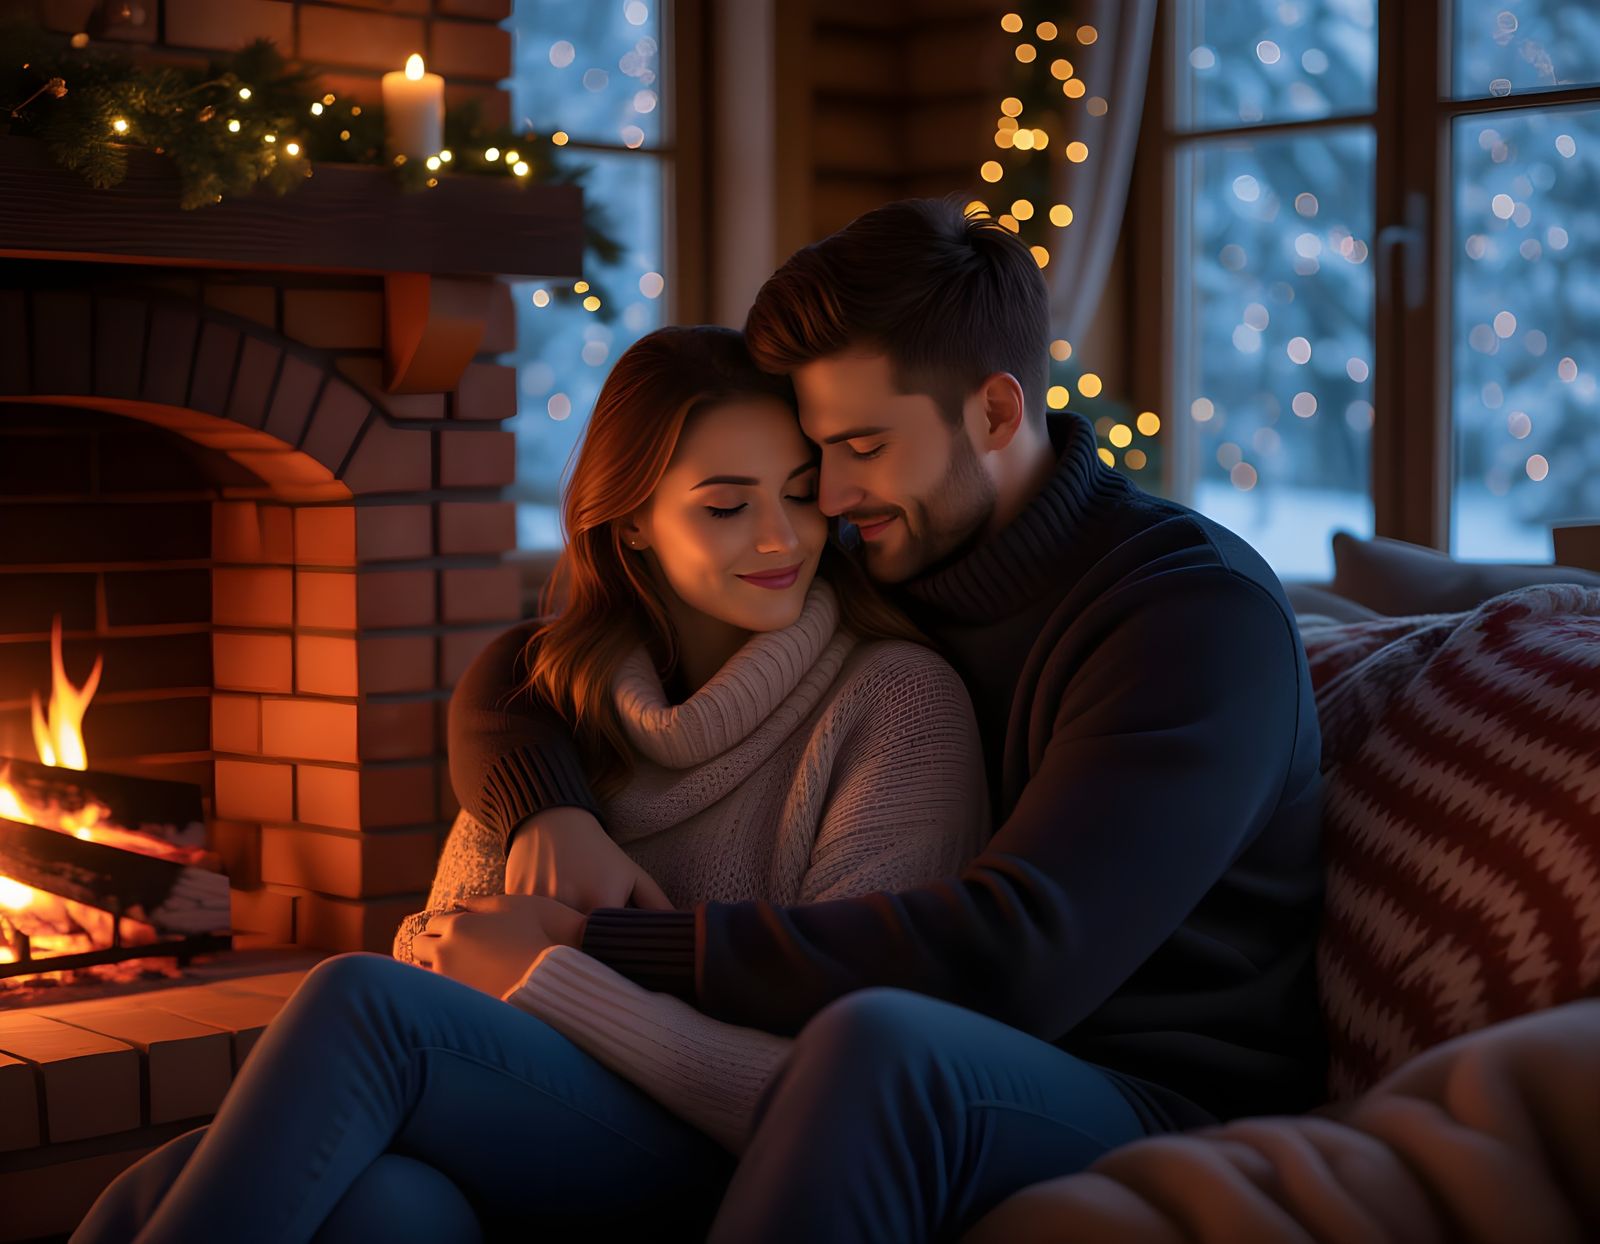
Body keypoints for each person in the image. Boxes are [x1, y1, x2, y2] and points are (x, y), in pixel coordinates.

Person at [443, 198, 1327, 1243]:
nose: (828, 496)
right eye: (819, 451)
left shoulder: (1190, 616)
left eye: (862, 443)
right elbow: (533, 664)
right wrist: (549, 809)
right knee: (393, 1159)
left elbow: (1017, 955)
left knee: (879, 1047)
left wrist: (599, 945)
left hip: (1146, 1100)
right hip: (926, 1063)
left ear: (993, 413)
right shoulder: (890, 547)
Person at [70, 325, 988, 1243]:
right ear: (632, 520)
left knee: (359, 1003)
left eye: (798, 493)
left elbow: (850, 1092)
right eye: (725, 506)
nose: (782, 537)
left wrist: (553, 980)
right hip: (535, 1126)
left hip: (741, 1153)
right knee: (378, 1209)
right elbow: (441, 953)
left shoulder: (897, 704)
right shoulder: (551, 706)